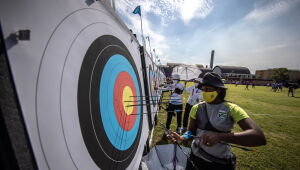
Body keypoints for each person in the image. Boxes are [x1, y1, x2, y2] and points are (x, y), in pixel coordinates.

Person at [167, 72, 266, 170]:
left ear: (219, 90)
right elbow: (191, 131)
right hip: (195, 157)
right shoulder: (196, 108)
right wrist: (182, 138)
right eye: (203, 89)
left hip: (219, 162)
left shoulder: (232, 109)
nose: (205, 92)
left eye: (209, 89)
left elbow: (258, 136)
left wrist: (220, 137)